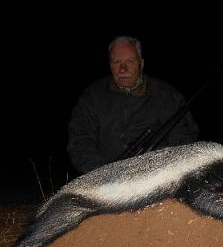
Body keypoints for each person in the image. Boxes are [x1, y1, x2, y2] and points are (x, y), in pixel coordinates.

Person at [67, 36, 199, 174]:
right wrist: (104, 174)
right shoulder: (92, 97)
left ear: (141, 63)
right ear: (109, 64)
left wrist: (155, 168)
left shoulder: (168, 96)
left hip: (157, 176)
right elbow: (80, 143)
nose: (122, 69)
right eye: (116, 61)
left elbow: (184, 139)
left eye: (130, 61)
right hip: (104, 179)